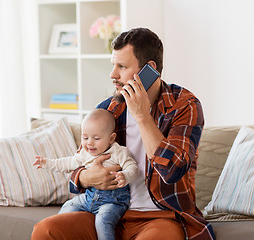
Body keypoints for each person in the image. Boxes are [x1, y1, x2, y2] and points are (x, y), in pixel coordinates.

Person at [31, 28, 215, 240]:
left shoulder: (184, 106)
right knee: (45, 230)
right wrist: (84, 177)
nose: (113, 75)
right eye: (113, 65)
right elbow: (79, 164)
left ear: (149, 70)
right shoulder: (107, 109)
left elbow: (172, 171)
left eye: (122, 66)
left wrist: (142, 116)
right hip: (105, 210)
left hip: (162, 217)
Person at [33, 109, 138, 240]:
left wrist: (126, 176)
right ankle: (60, 229)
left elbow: (132, 167)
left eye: (96, 138)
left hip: (113, 201)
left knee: (102, 221)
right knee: (68, 205)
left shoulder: (119, 152)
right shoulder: (85, 153)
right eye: (85, 137)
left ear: (111, 138)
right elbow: (68, 163)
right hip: (89, 198)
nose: (89, 143)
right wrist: (46, 163)